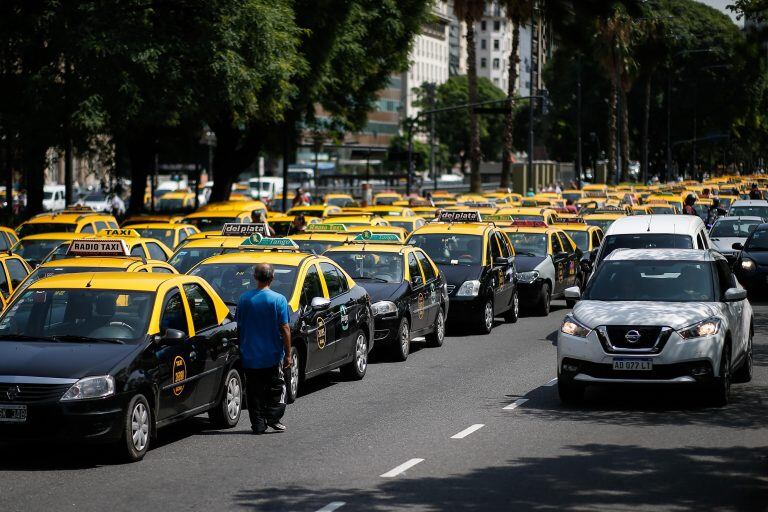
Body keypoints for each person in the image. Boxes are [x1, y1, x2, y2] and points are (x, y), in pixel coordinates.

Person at [236, 263, 292, 435]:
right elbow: (285, 328)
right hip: (272, 355)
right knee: (277, 388)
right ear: (272, 277)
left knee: (254, 392)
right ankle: (273, 418)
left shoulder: (244, 299)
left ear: (254, 277)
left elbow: (239, 326)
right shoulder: (278, 299)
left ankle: (258, 425)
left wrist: (242, 348)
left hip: (250, 356)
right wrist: (288, 354)